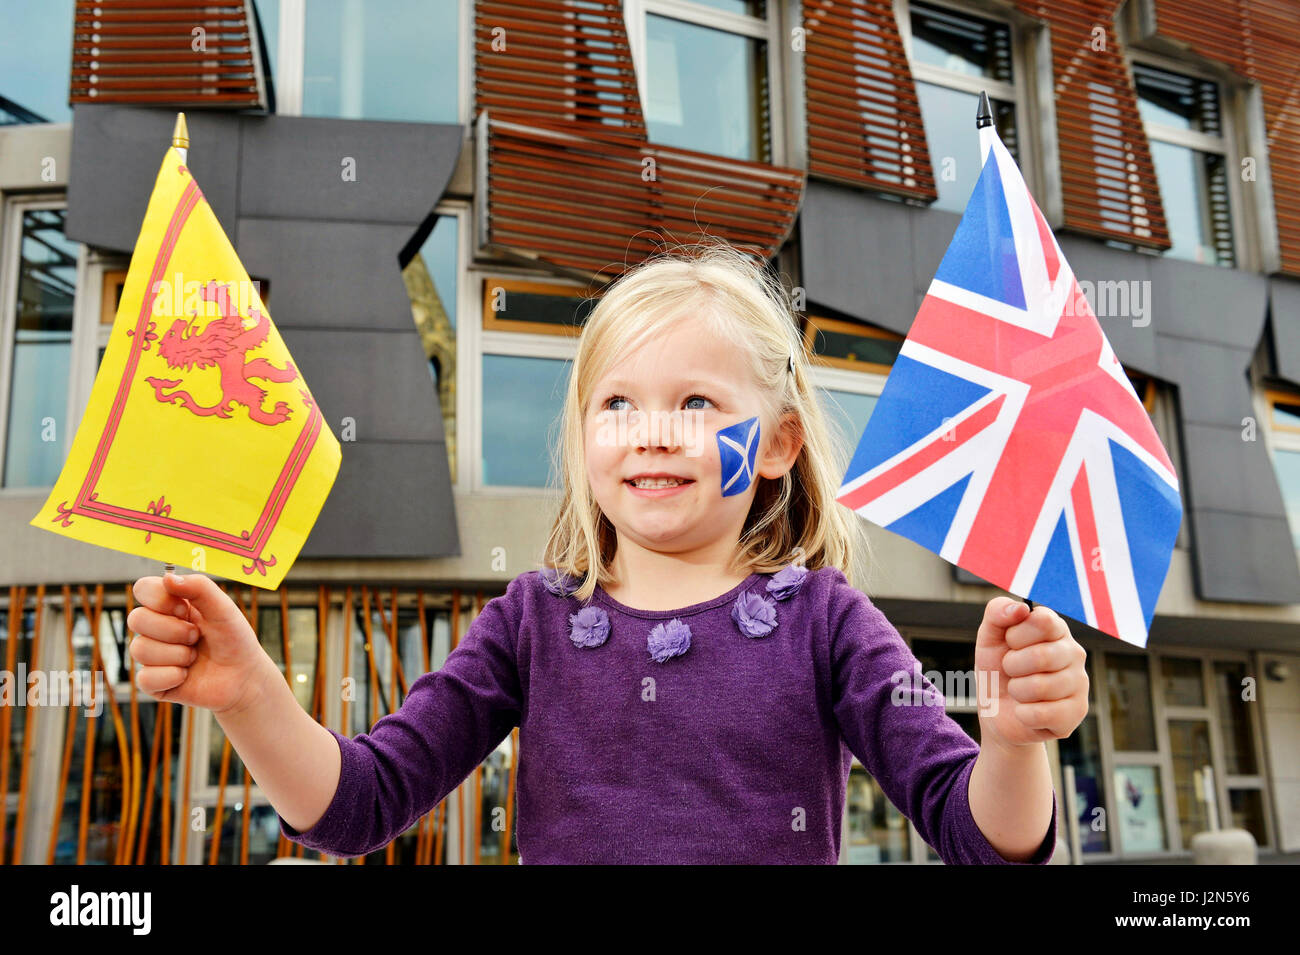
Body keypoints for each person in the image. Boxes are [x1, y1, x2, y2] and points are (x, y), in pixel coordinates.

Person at [128, 240, 1088, 864]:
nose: (653, 432)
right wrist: (251, 692)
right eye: (617, 403)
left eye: (698, 402)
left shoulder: (827, 623)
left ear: (781, 443)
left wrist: (1011, 742)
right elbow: (357, 804)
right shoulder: (530, 621)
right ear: (584, 435)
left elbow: (981, 835)